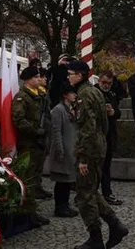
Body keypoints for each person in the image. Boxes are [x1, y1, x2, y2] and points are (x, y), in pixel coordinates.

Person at [67, 60, 128, 249]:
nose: (68, 77)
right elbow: (103, 123)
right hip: (98, 146)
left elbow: (88, 128)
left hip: (90, 150)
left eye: (71, 73)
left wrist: (83, 158)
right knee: (90, 191)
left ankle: (96, 237)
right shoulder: (94, 92)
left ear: (80, 75)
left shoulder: (85, 95)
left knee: (84, 195)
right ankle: (115, 224)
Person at [12, 65, 53, 210]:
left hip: (39, 141)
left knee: (37, 170)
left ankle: (35, 196)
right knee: (28, 173)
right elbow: (19, 119)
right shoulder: (22, 97)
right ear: (28, 80)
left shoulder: (39, 95)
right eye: (35, 77)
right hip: (28, 141)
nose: (39, 79)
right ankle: (28, 204)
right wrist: (36, 131)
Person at [49, 85, 80, 218]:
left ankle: (65, 204)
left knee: (67, 180)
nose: (74, 95)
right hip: (62, 149)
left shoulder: (71, 109)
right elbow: (56, 131)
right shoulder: (58, 109)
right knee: (61, 180)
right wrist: (60, 149)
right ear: (65, 95)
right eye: (72, 93)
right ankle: (60, 206)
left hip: (70, 148)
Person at [96, 70, 124, 205]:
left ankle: (107, 192)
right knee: (95, 166)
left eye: (109, 83)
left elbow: (118, 111)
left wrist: (113, 112)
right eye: (104, 82)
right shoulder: (94, 92)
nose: (106, 85)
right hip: (97, 133)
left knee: (106, 165)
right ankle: (92, 194)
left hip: (109, 132)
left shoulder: (112, 93)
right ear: (99, 80)